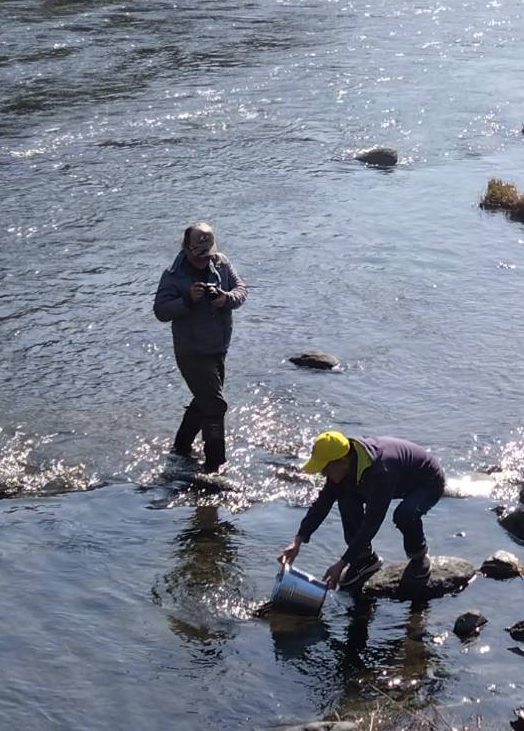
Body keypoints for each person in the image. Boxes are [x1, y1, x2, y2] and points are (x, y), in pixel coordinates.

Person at [279, 432, 446, 589]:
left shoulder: (380, 472)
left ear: (343, 462)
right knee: (345, 498)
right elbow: (322, 504)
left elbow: (371, 523)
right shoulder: (345, 460)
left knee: (404, 515)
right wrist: (298, 540)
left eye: (325, 469)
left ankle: (419, 555)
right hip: (398, 480)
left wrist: (342, 563)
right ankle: (365, 559)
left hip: (427, 482)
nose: (323, 474)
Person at [153, 222, 248, 474]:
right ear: (186, 248)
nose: (204, 260)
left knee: (205, 401)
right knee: (215, 406)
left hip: (218, 347)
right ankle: (215, 465)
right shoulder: (173, 275)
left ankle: (180, 448)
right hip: (191, 351)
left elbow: (241, 290)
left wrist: (225, 298)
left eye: (207, 254)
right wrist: (187, 299)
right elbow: (160, 311)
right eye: (199, 255)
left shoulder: (222, 263)